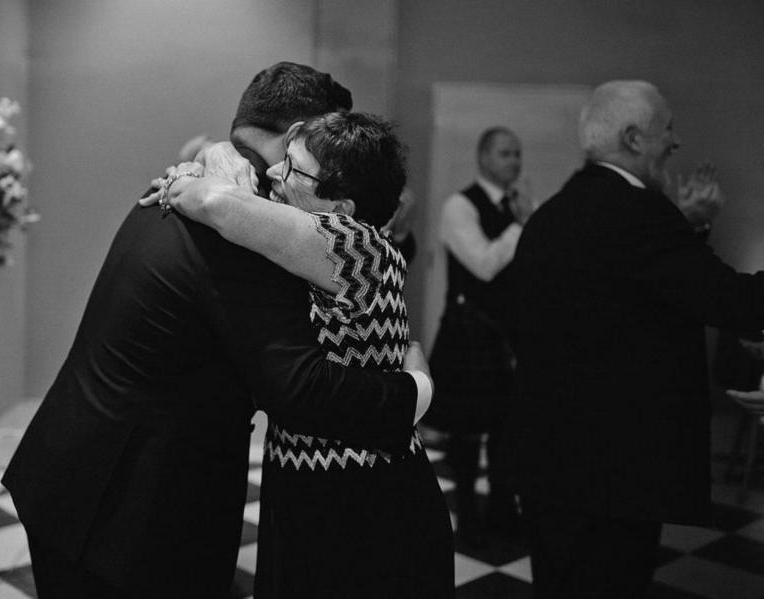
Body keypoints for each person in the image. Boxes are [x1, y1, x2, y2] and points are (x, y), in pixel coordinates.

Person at [2, 63, 434, 598]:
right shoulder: (242, 234)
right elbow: (298, 387)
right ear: (297, 131)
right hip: (125, 506)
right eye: (319, 136)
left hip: (79, 470)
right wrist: (414, 390)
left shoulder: (198, 190)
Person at [147, 111, 454, 598]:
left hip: (365, 500)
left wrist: (186, 176)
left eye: (293, 169)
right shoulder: (322, 244)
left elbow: (212, 201)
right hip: (312, 483)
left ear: (343, 206)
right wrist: (209, 155)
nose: (274, 174)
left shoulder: (358, 249)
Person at [505, 80, 764, 598]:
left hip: (550, 465)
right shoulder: (638, 211)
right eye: (667, 128)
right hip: (614, 475)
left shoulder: (552, 216)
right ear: (633, 136)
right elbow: (728, 300)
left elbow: (635, 295)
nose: (675, 141)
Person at [425, 126, 529, 546]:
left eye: (518, 153)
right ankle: (466, 515)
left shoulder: (519, 205)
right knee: (466, 431)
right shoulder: (458, 205)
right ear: (484, 158)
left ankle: (504, 511)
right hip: (470, 330)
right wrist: (521, 227)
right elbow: (484, 264)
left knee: (508, 427)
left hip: (508, 332)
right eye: (506, 153)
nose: (515, 161)